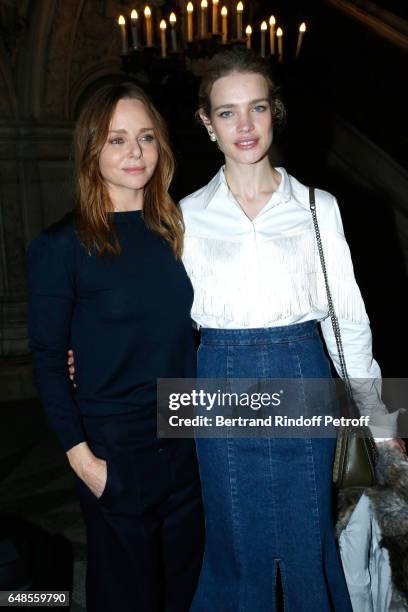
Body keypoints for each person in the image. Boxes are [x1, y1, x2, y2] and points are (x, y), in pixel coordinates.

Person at [179, 48, 404, 611]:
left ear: (274, 112)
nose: (245, 125)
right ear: (207, 123)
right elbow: (161, 319)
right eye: (227, 113)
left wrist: (377, 417)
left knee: (306, 539)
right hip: (219, 382)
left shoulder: (316, 206)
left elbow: (346, 319)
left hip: (300, 368)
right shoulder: (184, 215)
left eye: (256, 107)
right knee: (235, 541)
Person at [26, 82, 204, 612]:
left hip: (187, 436)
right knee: (128, 597)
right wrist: (84, 463)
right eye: (117, 140)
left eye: (146, 137)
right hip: (114, 448)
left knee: (186, 590)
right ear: (90, 151)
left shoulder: (179, 230)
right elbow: (48, 361)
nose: (135, 152)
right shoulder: (62, 246)